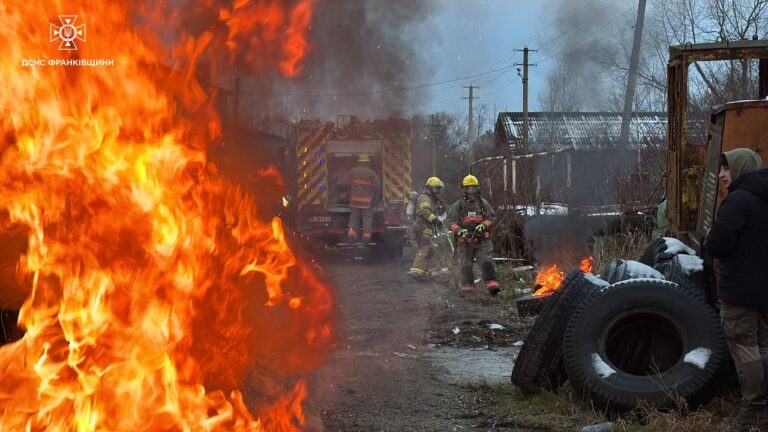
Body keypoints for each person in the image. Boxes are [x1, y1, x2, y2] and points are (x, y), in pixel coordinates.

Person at [705, 148, 768, 428]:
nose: (721, 175)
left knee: (744, 349)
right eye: (721, 169)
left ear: (741, 168)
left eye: (727, 168)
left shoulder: (737, 201)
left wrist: (711, 235)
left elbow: (718, 245)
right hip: (764, 291)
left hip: (740, 292)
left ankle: (754, 410)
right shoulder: (763, 197)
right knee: (763, 347)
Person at [446, 174, 500, 296]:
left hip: (482, 240)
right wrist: (458, 230)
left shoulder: (483, 203)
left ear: (477, 188)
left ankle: (492, 284)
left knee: (485, 260)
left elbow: (492, 217)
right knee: (465, 262)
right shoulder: (458, 205)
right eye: (468, 188)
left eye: (473, 188)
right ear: (464, 189)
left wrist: (483, 225)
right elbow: (449, 221)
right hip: (464, 241)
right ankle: (468, 285)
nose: (471, 191)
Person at [408, 177, 444, 279]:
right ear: (430, 187)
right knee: (425, 248)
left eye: (439, 189)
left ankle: (422, 271)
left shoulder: (430, 198)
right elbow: (425, 212)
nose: (438, 191)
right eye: (436, 188)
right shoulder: (425, 198)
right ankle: (417, 272)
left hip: (424, 227)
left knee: (427, 248)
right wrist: (435, 220)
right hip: (422, 227)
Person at [347, 154, 381, 243]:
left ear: (359, 162)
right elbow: (377, 187)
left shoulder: (352, 171)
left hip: (354, 202)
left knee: (354, 218)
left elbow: (346, 183)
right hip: (366, 203)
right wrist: (376, 198)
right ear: (368, 163)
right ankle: (366, 238)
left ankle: (352, 235)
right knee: (367, 219)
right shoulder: (372, 173)